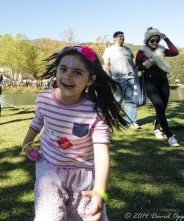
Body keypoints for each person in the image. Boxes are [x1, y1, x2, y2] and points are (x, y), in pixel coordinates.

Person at [22, 46, 126, 221]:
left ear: (90, 80)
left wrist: (99, 192)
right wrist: (26, 143)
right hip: (49, 169)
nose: (67, 76)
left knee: (89, 216)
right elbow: (37, 122)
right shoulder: (44, 100)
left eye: (77, 72)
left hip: (84, 175)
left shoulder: (95, 111)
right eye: (63, 69)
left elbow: (101, 153)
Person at [135, 27, 180, 147]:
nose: (155, 43)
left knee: (162, 108)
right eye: (152, 41)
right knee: (159, 106)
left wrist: (166, 39)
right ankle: (170, 136)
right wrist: (144, 65)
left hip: (163, 80)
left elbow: (175, 52)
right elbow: (136, 68)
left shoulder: (162, 49)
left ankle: (156, 128)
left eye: (157, 40)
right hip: (149, 81)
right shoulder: (141, 52)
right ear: (147, 40)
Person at [102, 31, 141, 129]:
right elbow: (107, 66)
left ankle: (132, 122)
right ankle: (111, 120)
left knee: (130, 101)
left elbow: (132, 64)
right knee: (116, 101)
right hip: (116, 79)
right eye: (120, 36)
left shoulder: (127, 49)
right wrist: (109, 80)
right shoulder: (109, 50)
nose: (122, 38)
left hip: (130, 78)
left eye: (123, 36)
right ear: (114, 38)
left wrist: (136, 76)